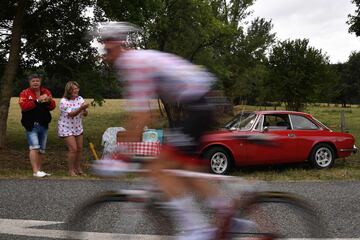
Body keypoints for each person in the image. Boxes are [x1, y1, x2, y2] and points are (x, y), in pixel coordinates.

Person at [97, 22, 231, 240]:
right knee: (187, 168)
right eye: (103, 49)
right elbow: (142, 114)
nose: (105, 54)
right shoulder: (136, 61)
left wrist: (120, 155)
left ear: (120, 45)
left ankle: (198, 229)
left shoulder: (132, 64)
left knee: (159, 167)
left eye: (107, 49)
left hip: (198, 105)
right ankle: (229, 214)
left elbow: (141, 116)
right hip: (200, 104)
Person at [19, 74, 56, 178]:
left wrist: (49, 101)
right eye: (33, 81)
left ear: (40, 82)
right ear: (29, 82)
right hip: (31, 125)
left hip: (44, 124)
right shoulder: (24, 93)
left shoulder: (46, 92)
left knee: (41, 150)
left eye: (37, 81)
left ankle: (39, 171)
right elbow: (24, 106)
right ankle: (35, 171)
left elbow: (52, 106)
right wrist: (37, 100)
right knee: (34, 147)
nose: (35, 82)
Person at [57, 81, 89, 176]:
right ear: (69, 90)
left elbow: (85, 114)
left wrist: (85, 111)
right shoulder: (64, 101)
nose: (76, 90)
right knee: (73, 149)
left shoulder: (80, 98)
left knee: (79, 149)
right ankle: (71, 170)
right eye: (73, 89)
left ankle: (78, 168)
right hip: (65, 127)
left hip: (77, 127)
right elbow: (71, 115)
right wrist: (80, 109)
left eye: (77, 88)